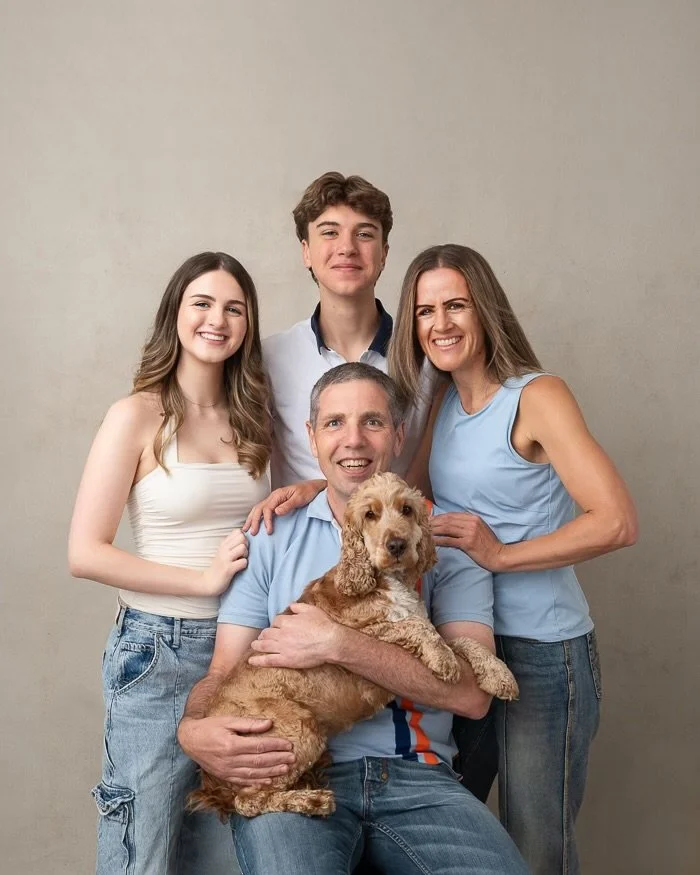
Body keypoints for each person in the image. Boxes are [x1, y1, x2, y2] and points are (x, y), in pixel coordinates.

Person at [177, 363, 529, 875]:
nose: (354, 440)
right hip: (296, 769)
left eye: (373, 422)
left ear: (400, 434)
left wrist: (336, 643)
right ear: (312, 437)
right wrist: (192, 729)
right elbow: (221, 672)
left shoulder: (443, 538)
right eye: (335, 423)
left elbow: (472, 696)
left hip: (419, 776)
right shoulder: (269, 536)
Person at [388, 244, 638, 875]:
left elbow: (616, 521)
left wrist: (500, 555)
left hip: (543, 652)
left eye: (455, 305)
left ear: (485, 309)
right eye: (424, 311)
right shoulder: (442, 402)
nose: (439, 324)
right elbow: (405, 496)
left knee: (536, 846)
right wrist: (312, 490)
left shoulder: (537, 396)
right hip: (466, 644)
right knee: (456, 835)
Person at [68, 252, 282, 874]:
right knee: (145, 851)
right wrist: (203, 580)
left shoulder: (253, 419)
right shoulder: (136, 415)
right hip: (157, 651)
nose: (218, 319)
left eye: (234, 308)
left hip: (242, 652)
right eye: (203, 303)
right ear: (176, 314)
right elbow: (85, 552)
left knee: (223, 855)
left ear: (248, 324)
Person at [259, 171, 432, 503]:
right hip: (303, 548)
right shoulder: (270, 358)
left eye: (364, 234)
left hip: (401, 547)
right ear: (306, 252)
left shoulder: (426, 355)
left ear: (384, 253)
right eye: (329, 233)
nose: (347, 248)